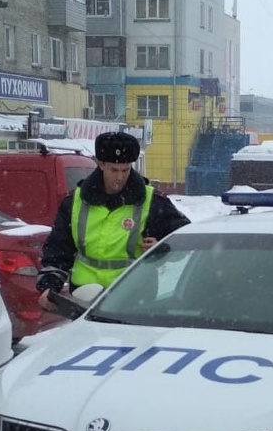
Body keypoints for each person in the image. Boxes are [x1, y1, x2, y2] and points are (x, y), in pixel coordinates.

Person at [35, 131, 189, 310]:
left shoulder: (151, 201)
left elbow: (185, 236)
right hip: (85, 296)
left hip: (134, 296)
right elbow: (58, 249)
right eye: (114, 170)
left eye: (126, 170)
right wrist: (49, 285)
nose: (120, 177)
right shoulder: (75, 201)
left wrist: (162, 246)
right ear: (101, 164)